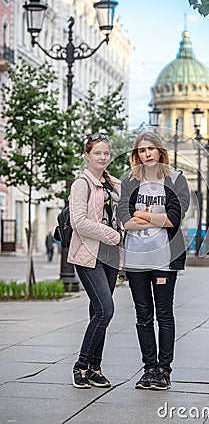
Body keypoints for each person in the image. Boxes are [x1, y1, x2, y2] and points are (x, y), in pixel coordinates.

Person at [117, 131, 190, 390]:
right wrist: (147, 217)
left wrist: (140, 213)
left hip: (164, 259)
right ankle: (149, 369)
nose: (146, 154)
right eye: (141, 150)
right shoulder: (129, 181)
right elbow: (124, 219)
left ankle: (164, 370)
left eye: (151, 149)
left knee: (164, 314)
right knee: (143, 315)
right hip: (136, 259)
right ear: (136, 155)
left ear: (160, 151)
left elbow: (173, 219)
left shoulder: (176, 179)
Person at [67, 133, 121, 389]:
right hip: (88, 255)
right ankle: (80, 366)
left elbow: (130, 201)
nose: (103, 157)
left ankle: (95, 368)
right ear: (87, 155)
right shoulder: (81, 184)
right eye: (97, 153)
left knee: (96, 311)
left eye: (106, 153)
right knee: (105, 310)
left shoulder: (111, 184)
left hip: (110, 257)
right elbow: (79, 222)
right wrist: (112, 235)